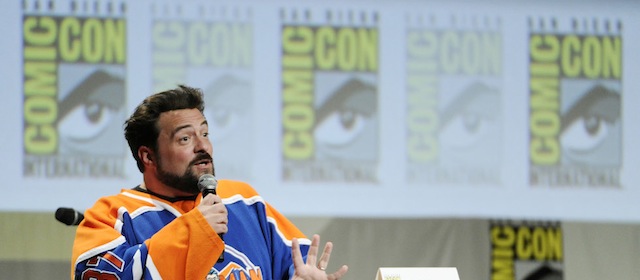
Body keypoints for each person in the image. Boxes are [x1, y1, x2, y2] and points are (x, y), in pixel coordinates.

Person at [70, 85, 349, 280]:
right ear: (148, 156)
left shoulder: (244, 201)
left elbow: (297, 266)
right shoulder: (112, 216)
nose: (203, 146)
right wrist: (194, 231)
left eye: (205, 133)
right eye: (185, 138)